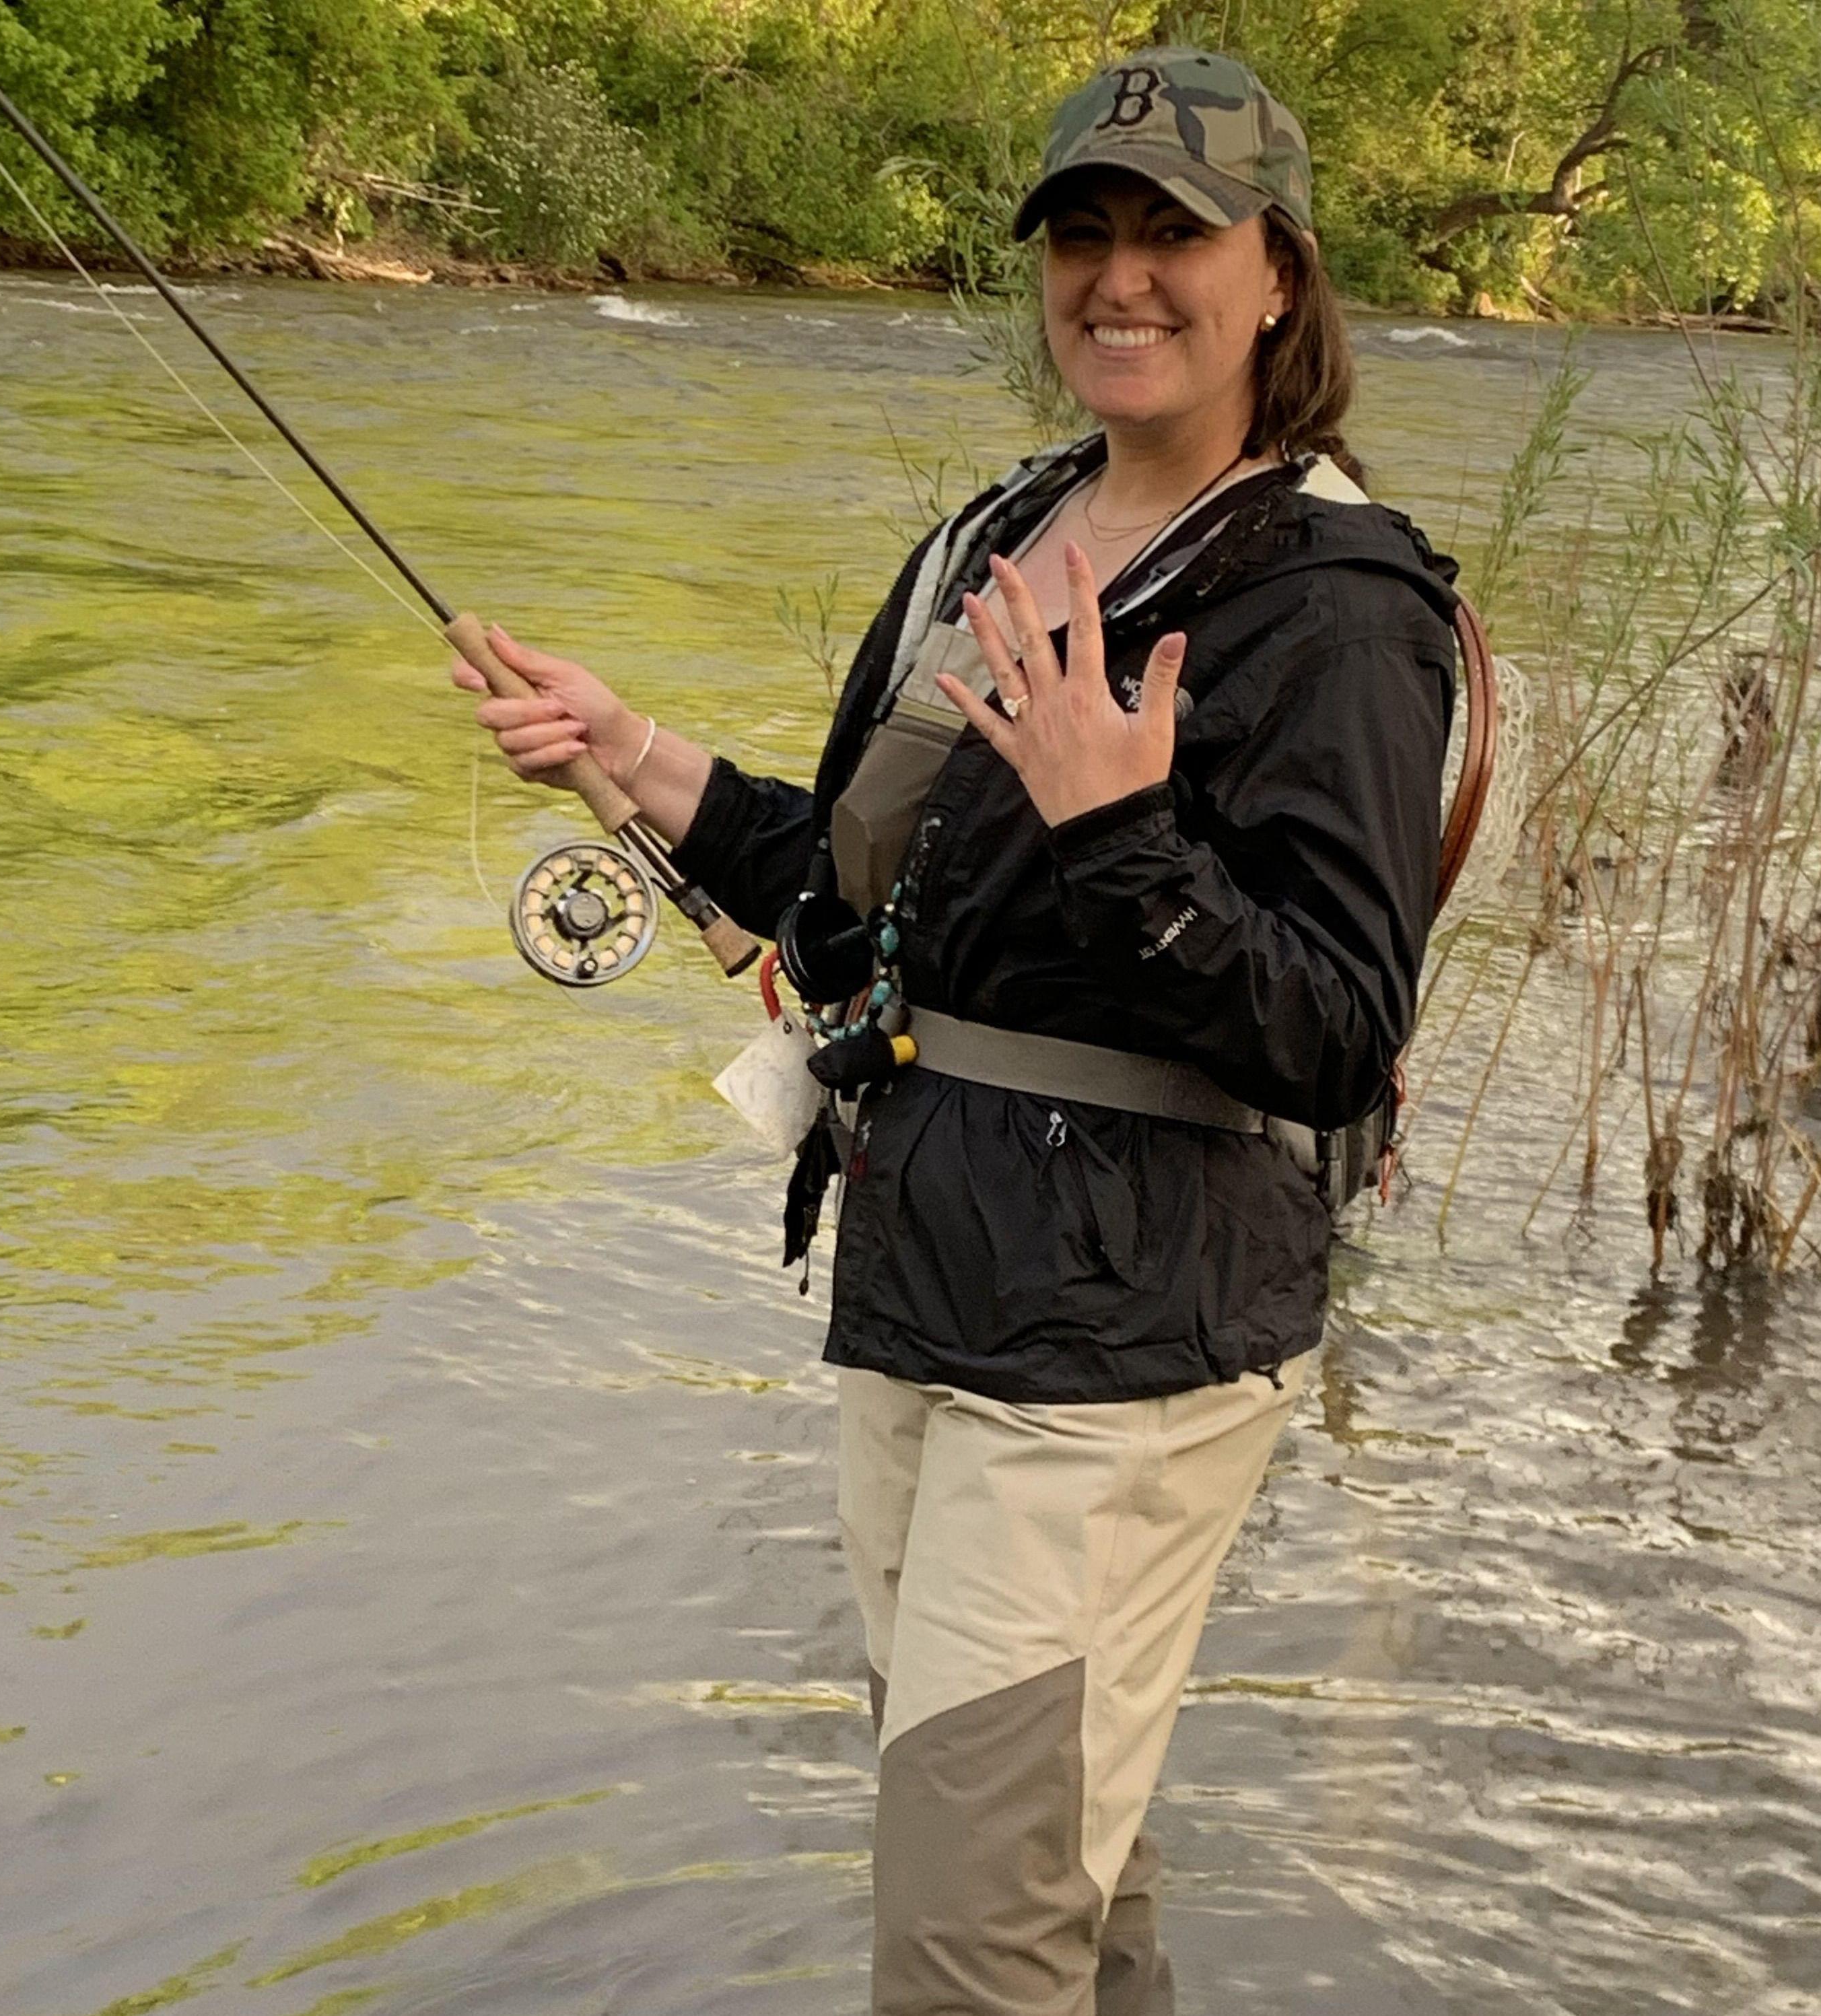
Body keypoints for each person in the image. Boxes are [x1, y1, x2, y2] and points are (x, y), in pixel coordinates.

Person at [455, 48, 1459, 2016]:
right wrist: (634, 755)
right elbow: (857, 904)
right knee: (1055, 1883)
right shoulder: (997, 536)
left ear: (1278, 274)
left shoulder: (1339, 604)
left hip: (1124, 1345)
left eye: (1175, 234)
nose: (1120, 277)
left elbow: (1338, 1028)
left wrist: (1121, 835)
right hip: (924, 1285)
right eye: (1084, 233)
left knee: (963, 1945)